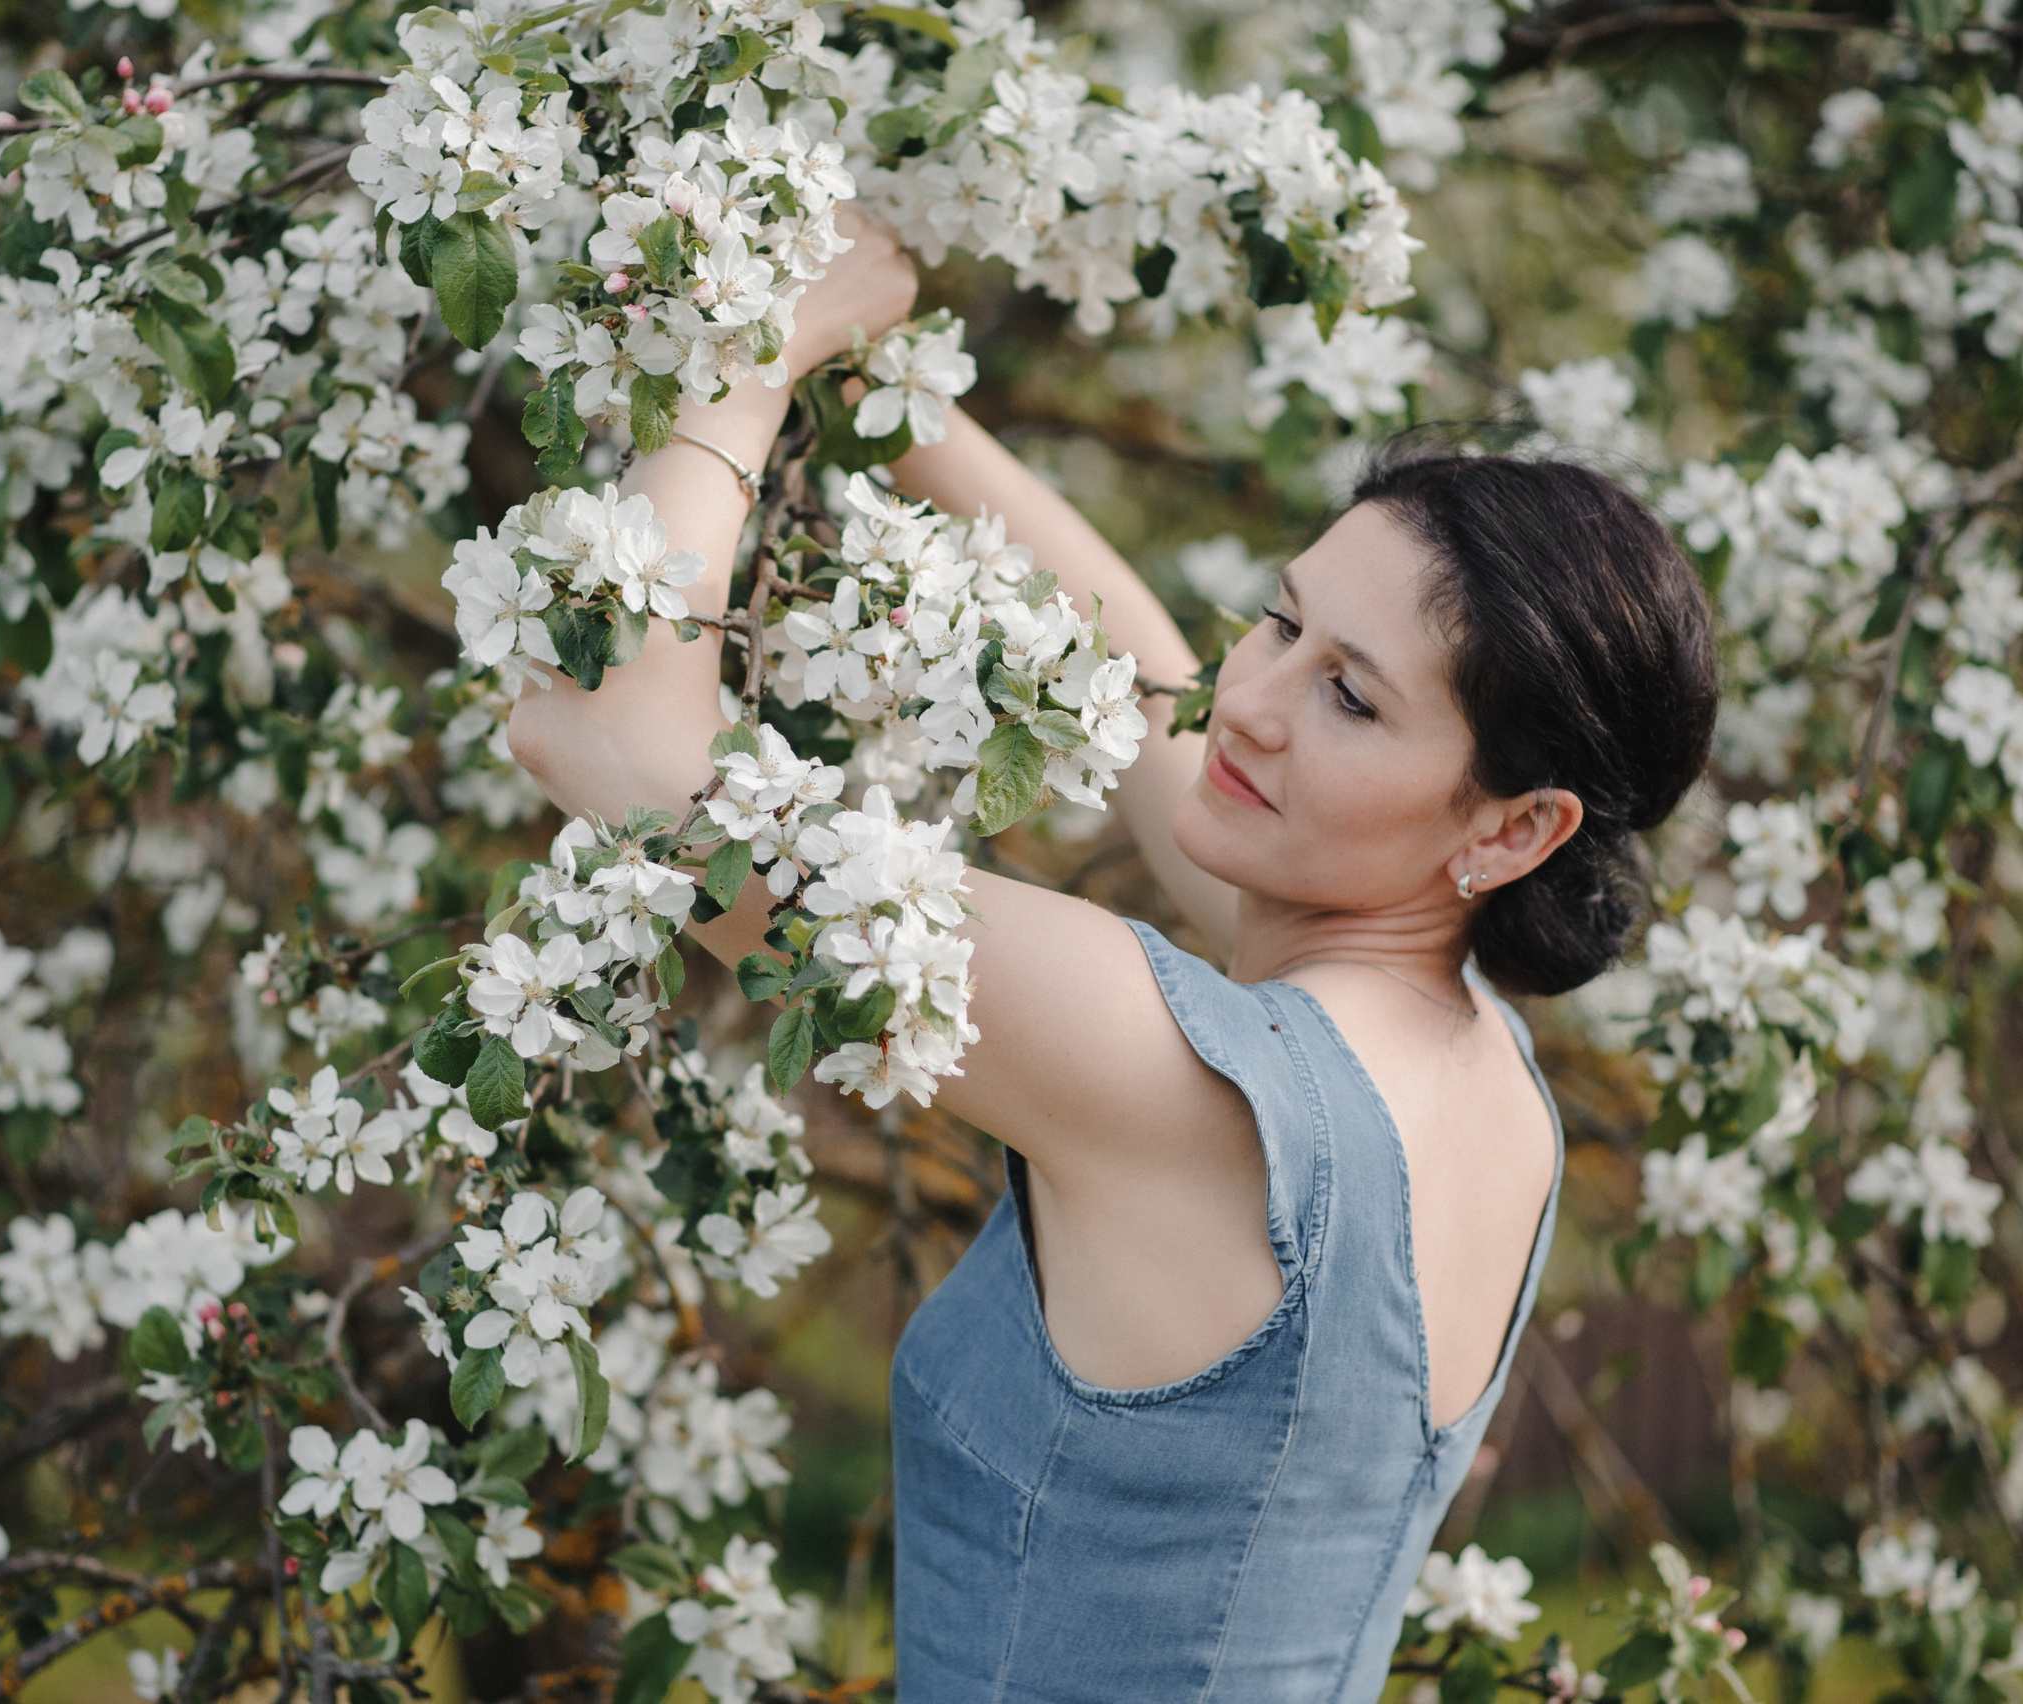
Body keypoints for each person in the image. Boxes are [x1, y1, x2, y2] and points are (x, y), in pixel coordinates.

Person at [506, 209, 1718, 1701]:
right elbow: (1148, 689)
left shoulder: (1172, 1079)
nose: (1255, 704)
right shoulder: (1476, 1076)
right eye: (1277, 621)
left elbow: (606, 736)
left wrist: (759, 356)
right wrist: (898, 394)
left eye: (1351, 697)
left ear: (1518, 827)